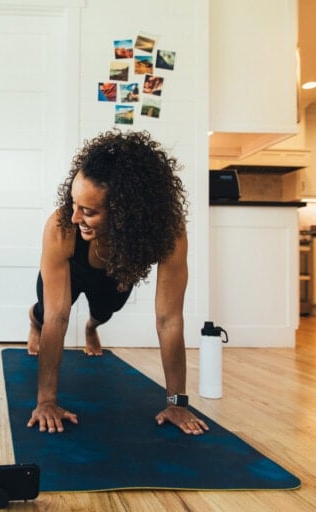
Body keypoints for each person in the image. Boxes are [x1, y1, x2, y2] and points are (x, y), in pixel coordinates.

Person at [26, 130, 209, 436]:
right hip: (71, 268)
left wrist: (177, 403)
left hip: (114, 273)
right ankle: (33, 319)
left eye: (89, 211)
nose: (74, 217)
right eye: (74, 203)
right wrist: (46, 401)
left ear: (127, 213)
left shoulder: (167, 231)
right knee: (48, 313)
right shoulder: (62, 227)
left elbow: (169, 319)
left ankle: (91, 327)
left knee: (105, 311)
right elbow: (59, 317)